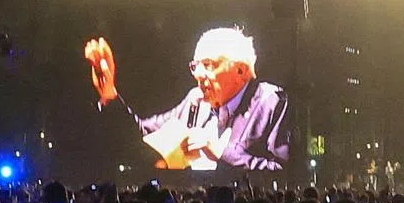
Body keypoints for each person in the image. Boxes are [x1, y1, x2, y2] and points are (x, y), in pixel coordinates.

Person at [84, 27, 290, 170]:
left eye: (209, 64)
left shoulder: (271, 102)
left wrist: (220, 152)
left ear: (241, 70)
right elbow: (143, 133)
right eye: (195, 65)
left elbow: (282, 170)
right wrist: (109, 95)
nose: (198, 74)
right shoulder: (195, 101)